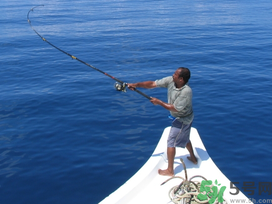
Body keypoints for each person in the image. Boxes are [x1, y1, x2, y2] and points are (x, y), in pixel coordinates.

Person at [128, 67, 197, 177]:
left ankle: (170, 170)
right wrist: (136, 85)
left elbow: (175, 108)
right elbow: (153, 84)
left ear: (181, 79)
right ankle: (193, 158)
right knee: (184, 136)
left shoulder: (186, 91)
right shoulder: (171, 80)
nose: (173, 75)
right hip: (181, 118)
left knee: (171, 141)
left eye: (175, 74)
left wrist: (159, 102)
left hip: (182, 119)